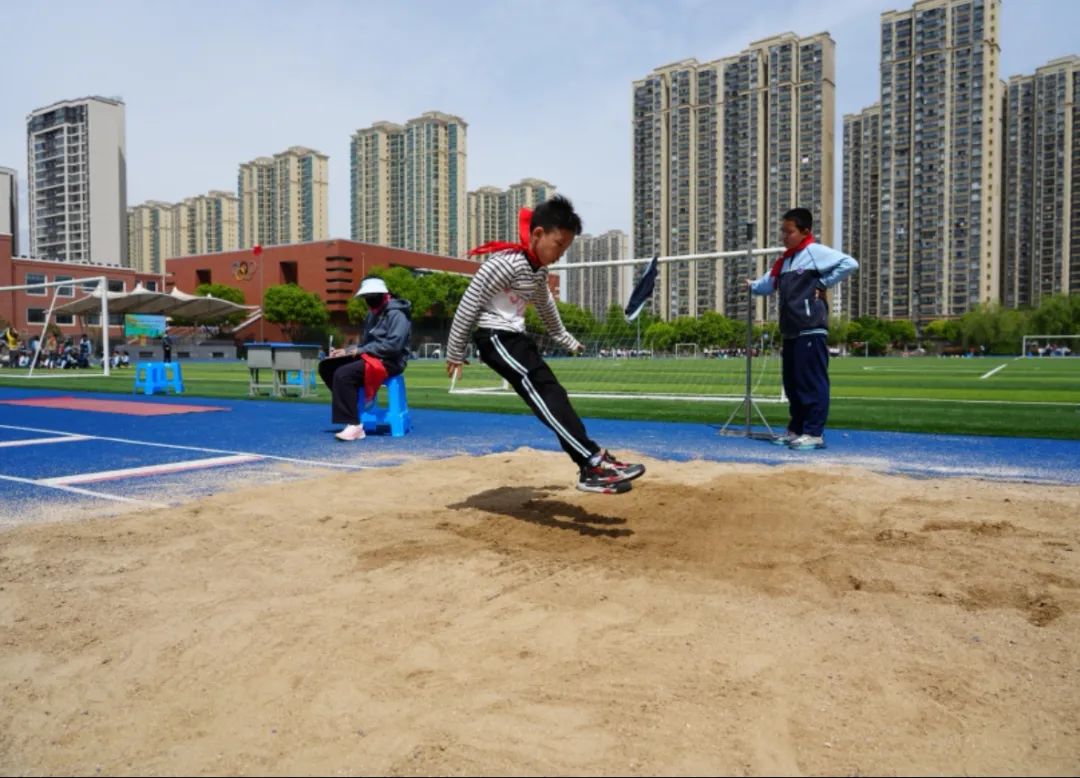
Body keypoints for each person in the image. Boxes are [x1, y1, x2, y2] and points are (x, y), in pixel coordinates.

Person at [444, 195, 645, 494]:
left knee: (551, 394)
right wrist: (455, 352)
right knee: (541, 388)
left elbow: (546, 308)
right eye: (559, 244)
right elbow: (469, 304)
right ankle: (592, 462)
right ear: (538, 234)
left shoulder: (538, 271)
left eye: (566, 248)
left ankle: (591, 464)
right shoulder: (504, 264)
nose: (561, 253)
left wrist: (567, 340)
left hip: (515, 339)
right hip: (494, 337)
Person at [747, 207, 859, 450]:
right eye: (783, 232)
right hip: (790, 330)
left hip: (810, 328)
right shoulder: (785, 261)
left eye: (789, 232)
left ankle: (814, 432)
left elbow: (850, 263)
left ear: (805, 231)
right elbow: (768, 284)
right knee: (793, 383)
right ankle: (796, 428)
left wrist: (823, 282)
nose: (784, 237)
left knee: (811, 382)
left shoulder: (814, 252)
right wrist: (752, 286)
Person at [318, 277, 412, 441]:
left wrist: (360, 350)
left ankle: (354, 424)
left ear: (385, 295)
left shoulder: (398, 314)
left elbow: (394, 346)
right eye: (367, 299)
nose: (370, 302)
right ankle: (354, 404)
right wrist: (346, 351)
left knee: (343, 374)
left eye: (373, 298)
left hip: (392, 360)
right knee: (327, 366)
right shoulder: (371, 314)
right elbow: (365, 343)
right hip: (371, 355)